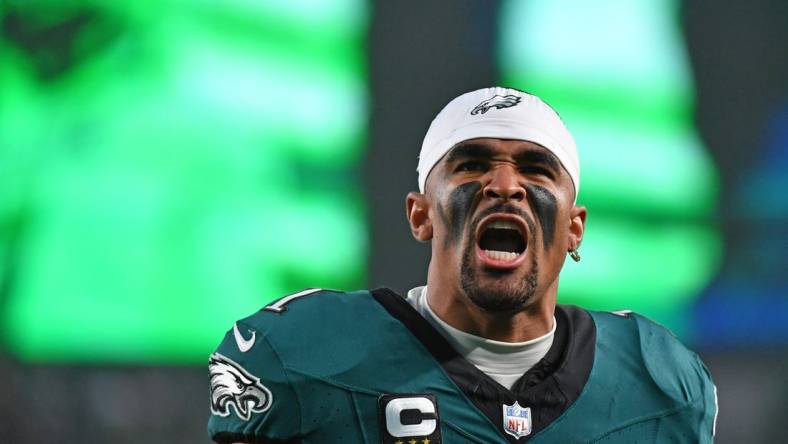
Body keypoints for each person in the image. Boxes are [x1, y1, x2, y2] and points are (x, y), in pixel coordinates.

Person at [207, 87, 718, 443]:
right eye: (471, 164)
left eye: (536, 168)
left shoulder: (659, 380)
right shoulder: (304, 356)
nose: (503, 185)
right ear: (421, 215)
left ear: (573, 229)